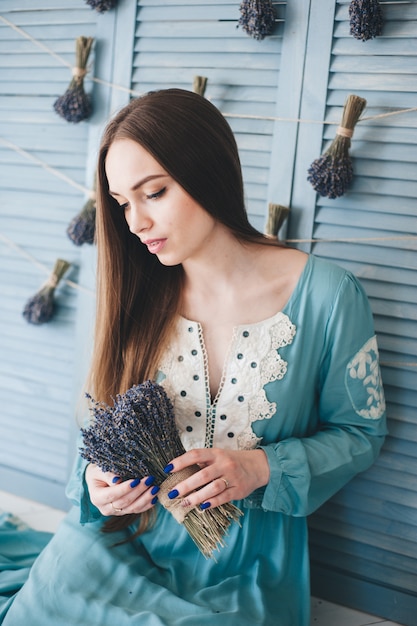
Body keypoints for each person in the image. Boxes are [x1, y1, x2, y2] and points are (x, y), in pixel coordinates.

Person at [1, 88, 387, 625]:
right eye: (122, 204)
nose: (135, 223)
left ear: (208, 172)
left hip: (244, 568)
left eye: (153, 192)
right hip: (120, 544)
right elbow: (102, 430)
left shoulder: (328, 295)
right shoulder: (137, 295)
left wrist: (260, 467)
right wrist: (96, 483)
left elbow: (361, 433)